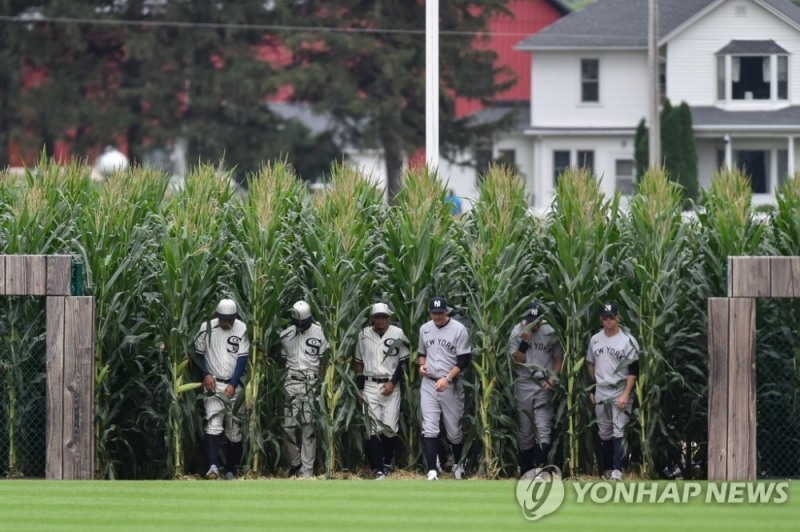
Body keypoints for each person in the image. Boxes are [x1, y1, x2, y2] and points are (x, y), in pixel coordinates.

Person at [194, 298, 250, 481]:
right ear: (217, 316)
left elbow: (242, 358)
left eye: (231, 319)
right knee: (213, 424)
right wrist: (205, 374)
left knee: (234, 429)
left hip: (235, 386)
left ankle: (230, 470)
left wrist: (234, 383)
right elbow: (197, 354)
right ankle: (212, 467)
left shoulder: (241, 328)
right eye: (224, 319)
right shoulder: (206, 328)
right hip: (213, 384)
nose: (228, 323)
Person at [418, 296, 471, 480]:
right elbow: (421, 353)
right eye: (434, 313)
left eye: (441, 313)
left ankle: (459, 464)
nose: (438, 316)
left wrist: (447, 378)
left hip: (450, 384)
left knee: (454, 431)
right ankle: (432, 470)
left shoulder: (458, 329)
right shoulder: (425, 329)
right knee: (430, 427)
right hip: (429, 383)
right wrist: (421, 365)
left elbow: (464, 360)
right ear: (430, 312)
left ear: (447, 311)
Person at [355, 302, 410, 480]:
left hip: (391, 385)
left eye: (383, 317)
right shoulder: (363, 334)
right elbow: (359, 363)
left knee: (390, 429)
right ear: (372, 318)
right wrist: (360, 388)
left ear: (389, 317)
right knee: (373, 429)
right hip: (370, 384)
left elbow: (404, 361)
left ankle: (386, 461)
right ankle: (379, 469)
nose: (380, 320)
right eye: (377, 317)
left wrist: (393, 383)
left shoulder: (397, 333)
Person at [508, 300, 564, 475]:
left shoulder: (550, 331)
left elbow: (558, 358)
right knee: (525, 431)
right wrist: (524, 341)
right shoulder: (517, 331)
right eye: (529, 320)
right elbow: (516, 359)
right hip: (523, 382)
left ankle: (539, 468)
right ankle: (527, 470)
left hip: (543, 384)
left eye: (536, 321)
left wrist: (552, 380)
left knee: (543, 427)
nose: (533, 324)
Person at [586, 302, 639, 481]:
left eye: (611, 317)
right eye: (605, 317)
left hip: (619, 389)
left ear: (618, 317)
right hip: (601, 389)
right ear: (601, 319)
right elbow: (590, 364)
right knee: (604, 431)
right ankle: (607, 469)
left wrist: (626, 393)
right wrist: (593, 388)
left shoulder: (627, 340)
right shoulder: (595, 339)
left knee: (619, 429)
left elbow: (633, 370)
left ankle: (617, 470)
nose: (608, 320)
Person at [280, 300, 329, 478]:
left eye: (304, 323)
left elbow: (324, 361)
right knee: (287, 426)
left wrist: (320, 386)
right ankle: (295, 462)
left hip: (312, 383)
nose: (301, 326)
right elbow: (283, 362)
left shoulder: (320, 332)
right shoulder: (286, 334)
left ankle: (306, 471)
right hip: (291, 383)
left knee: (309, 428)